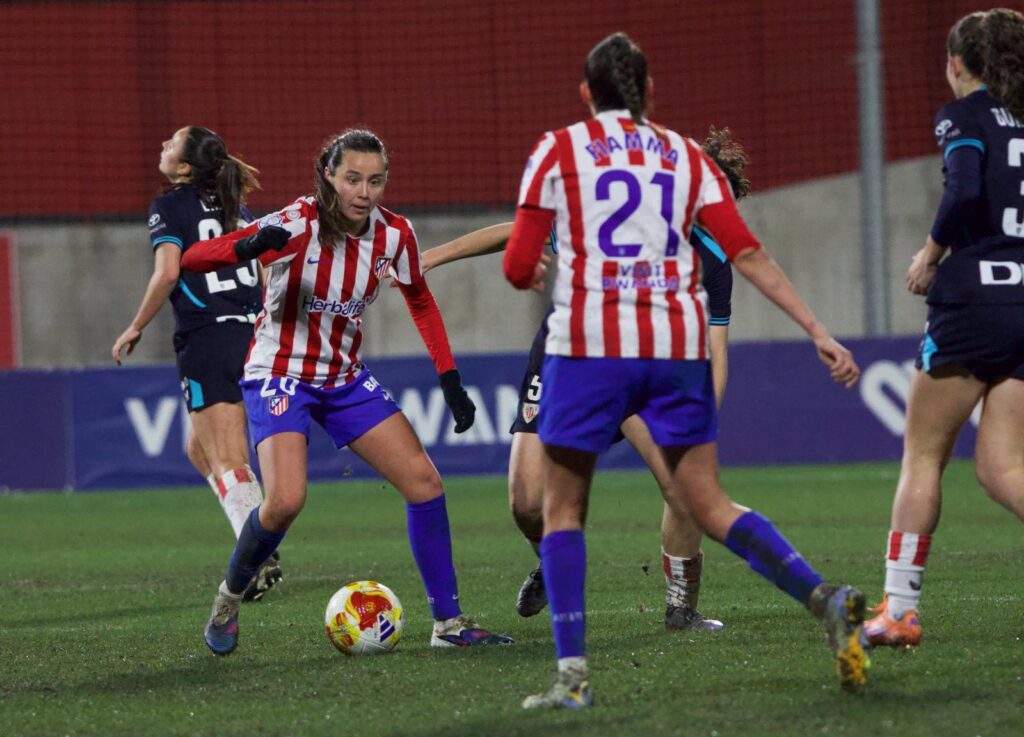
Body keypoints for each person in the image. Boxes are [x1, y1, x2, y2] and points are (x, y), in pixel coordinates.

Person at [503, 33, 864, 709]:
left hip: (589, 349)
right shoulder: (687, 155)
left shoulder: (556, 150)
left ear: (586, 94)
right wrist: (817, 330)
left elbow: (519, 265)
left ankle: (573, 678)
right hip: (676, 347)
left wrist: (538, 271)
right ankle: (825, 596)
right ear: (651, 93)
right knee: (708, 502)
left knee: (561, 509)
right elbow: (747, 252)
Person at [179, 128, 513, 655]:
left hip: (343, 377)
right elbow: (194, 258)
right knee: (285, 501)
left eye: (375, 181)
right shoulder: (296, 223)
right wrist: (246, 245)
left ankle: (448, 626)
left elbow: (420, 301)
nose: (365, 192)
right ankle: (229, 597)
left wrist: (449, 378)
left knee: (425, 484)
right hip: (279, 374)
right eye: (353, 179)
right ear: (329, 176)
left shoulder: (394, 235)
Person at [419, 127, 749, 632]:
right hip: (565, 359)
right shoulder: (616, 217)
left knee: (685, 488)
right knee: (526, 504)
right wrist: (434, 257)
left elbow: (715, 351)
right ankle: (553, 563)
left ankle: (681, 608)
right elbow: (519, 229)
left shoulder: (713, 261)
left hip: (640, 372)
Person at [864, 8, 1024, 648]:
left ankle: (899, 612)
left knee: (923, 454)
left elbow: (961, 189)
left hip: (975, 303)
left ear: (957, 63)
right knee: (1002, 468)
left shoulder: (964, 115)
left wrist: (930, 255)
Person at [112, 127, 282, 602]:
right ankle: (255, 540)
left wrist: (136, 326)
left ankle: (258, 558)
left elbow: (168, 272)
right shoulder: (237, 207)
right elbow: (268, 270)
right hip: (251, 335)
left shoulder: (168, 207)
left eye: (171, 143)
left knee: (229, 458)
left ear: (185, 168)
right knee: (199, 450)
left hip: (209, 337)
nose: (162, 145)